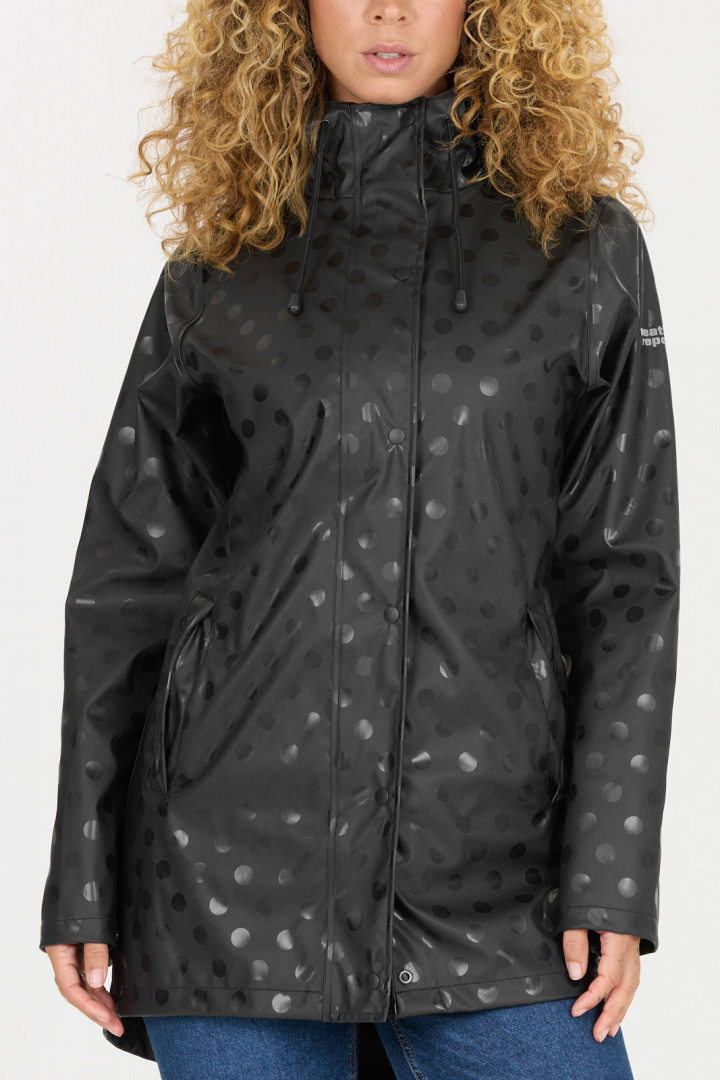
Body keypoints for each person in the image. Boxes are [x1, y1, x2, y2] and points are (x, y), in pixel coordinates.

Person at [39, 1, 680, 1077]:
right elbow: (128, 583)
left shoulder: (581, 248)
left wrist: (611, 873)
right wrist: (84, 876)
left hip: (495, 876)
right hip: (223, 883)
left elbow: (625, 578)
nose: (389, 8)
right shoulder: (223, 256)